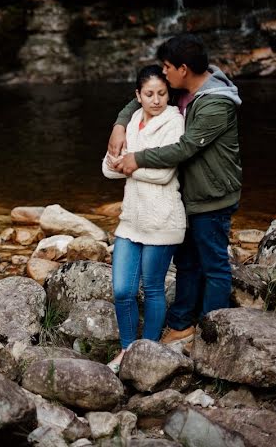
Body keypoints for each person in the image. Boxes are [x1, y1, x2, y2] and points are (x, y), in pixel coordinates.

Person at [108, 34, 242, 350]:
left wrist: (136, 158)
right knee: (187, 263)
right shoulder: (185, 87)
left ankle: (212, 336)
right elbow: (141, 98)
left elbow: (182, 148)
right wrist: (119, 123)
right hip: (187, 198)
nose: (163, 72)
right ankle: (182, 324)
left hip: (212, 197)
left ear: (183, 69)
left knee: (214, 267)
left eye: (167, 67)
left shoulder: (215, 104)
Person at [102, 65, 186, 372]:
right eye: (149, 94)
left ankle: (147, 351)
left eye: (161, 93)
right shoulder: (132, 120)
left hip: (162, 220)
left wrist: (128, 164)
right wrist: (123, 163)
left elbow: (165, 173)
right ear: (138, 95)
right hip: (131, 219)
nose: (156, 100)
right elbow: (107, 169)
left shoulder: (174, 121)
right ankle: (127, 349)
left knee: (152, 288)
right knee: (122, 289)